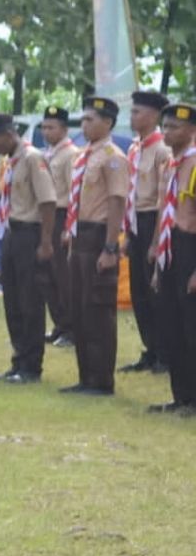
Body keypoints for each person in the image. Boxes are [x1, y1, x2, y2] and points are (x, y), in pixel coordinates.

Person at [61, 96, 128, 396]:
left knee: (98, 310)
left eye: (90, 120)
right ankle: (85, 376)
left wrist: (110, 247)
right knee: (79, 308)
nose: (84, 125)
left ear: (108, 123)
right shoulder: (84, 156)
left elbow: (117, 202)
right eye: (83, 119)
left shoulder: (113, 157)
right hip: (80, 236)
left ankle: (101, 380)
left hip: (99, 235)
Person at [0, 115, 56, 383]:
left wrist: (46, 241)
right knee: (12, 300)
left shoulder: (32, 158)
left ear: (9, 134)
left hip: (30, 233)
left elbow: (48, 201)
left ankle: (31, 366)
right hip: (11, 231)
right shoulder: (10, 161)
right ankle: (18, 360)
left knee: (30, 301)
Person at [147, 101, 196, 415]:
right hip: (170, 247)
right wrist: (157, 255)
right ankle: (182, 396)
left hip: (191, 245)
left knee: (192, 326)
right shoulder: (169, 164)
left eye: (174, 127)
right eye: (164, 126)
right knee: (172, 324)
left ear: (191, 130)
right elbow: (162, 210)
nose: (167, 132)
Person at [120, 89, 173, 374]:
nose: (132, 117)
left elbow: (163, 201)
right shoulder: (135, 149)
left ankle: (165, 352)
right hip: (136, 221)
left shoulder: (162, 150)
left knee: (156, 292)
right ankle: (150, 348)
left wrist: (155, 241)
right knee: (139, 291)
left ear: (153, 116)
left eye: (137, 112)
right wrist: (129, 233)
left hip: (154, 221)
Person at [42, 106, 78, 347]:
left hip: (62, 215)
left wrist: (68, 227)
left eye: (51, 127)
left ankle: (71, 328)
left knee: (63, 276)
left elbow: (74, 193)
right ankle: (59, 324)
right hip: (47, 216)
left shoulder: (70, 154)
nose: (46, 132)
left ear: (64, 129)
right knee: (48, 275)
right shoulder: (48, 154)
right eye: (44, 127)